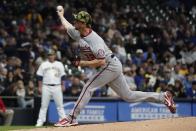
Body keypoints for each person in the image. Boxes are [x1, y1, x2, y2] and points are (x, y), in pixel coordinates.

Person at [55, 7, 176, 127]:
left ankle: (71, 117)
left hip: (109, 65)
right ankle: (163, 97)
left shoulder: (94, 40)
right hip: (112, 66)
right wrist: (61, 15)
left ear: (83, 24)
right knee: (129, 96)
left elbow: (101, 62)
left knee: (88, 87)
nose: (74, 21)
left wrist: (81, 63)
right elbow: (67, 26)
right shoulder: (77, 32)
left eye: (77, 20)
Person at [35, 50, 66, 127]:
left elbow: (63, 76)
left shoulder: (59, 64)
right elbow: (39, 76)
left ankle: (63, 121)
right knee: (44, 105)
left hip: (57, 86)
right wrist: (39, 86)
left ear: (55, 56)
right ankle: (40, 122)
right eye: (49, 55)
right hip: (46, 86)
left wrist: (63, 85)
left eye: (52, 55)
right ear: (47, 56)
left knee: (60, 105)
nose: (50, 56)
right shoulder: (44, 64)